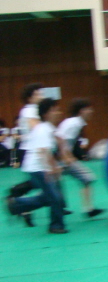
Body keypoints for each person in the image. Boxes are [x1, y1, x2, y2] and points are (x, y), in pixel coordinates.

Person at [7, 98, 67, 233]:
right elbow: (43, 151)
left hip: (37, 167)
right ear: (46, 114)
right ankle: (56, 226)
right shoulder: (43, 129)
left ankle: (16, 204)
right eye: (54, 110)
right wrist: (52, 169)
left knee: (51, 197)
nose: (58, 112)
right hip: (38, 168)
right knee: (55, 197)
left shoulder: (48, 129)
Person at [55, 99, 105, 218]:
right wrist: (67, 157)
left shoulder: (73, 122)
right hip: (60, 159)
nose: (91, 111)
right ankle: (88, 209)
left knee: (50, 184)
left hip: (59, 158)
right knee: (87, 177)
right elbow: (62, 140)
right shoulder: (75, 123)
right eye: (89, 109)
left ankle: (88, 209)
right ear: (82, 111)